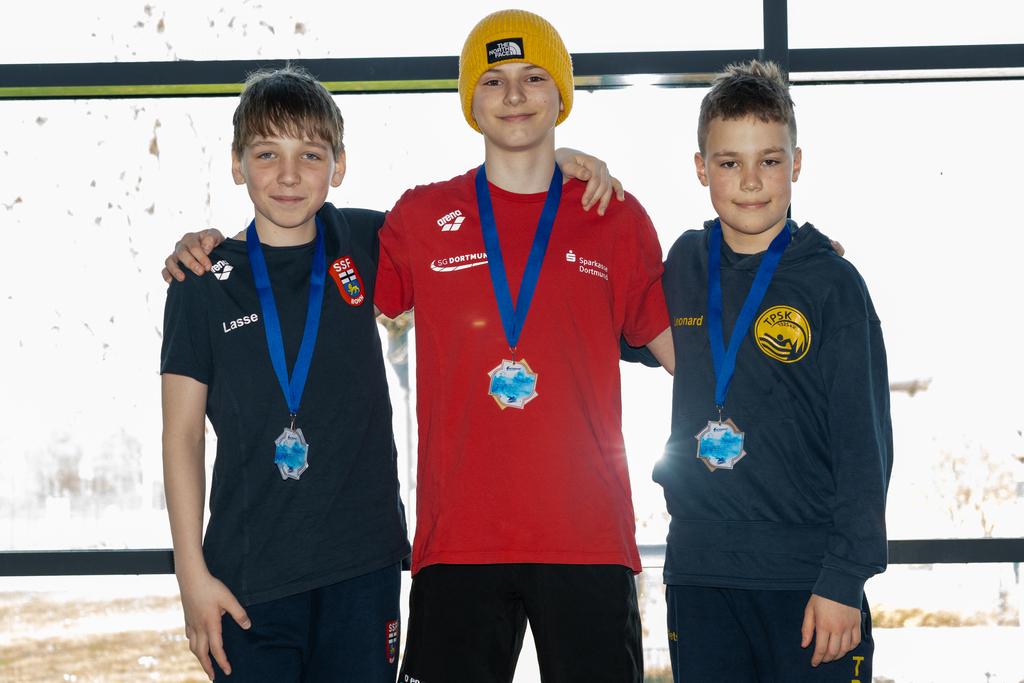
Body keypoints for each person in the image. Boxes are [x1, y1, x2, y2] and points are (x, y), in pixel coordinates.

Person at [372, 10, 673, 682]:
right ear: (470, 101)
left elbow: (688, 350)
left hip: (587, 538)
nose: (514, 94)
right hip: (459, 540)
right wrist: (225, 250)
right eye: (493, 79)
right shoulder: (422, 217)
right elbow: (314, 252)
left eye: (534, 77)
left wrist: (785, 270)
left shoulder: (613, 216)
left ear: (560, 92)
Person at [160, 66, 411, 682]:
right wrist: (191, 575)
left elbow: (483, 210)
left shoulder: (368, 238)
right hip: (247, 582)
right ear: (237, 164)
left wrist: (559, 158)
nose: (290, 175)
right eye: (267, 153)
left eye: (311, 154)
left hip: (363, 570)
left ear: (339, 166)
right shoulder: (202, 280)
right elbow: (182, 435)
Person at [650, 60, 892, 682]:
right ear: (701, 168)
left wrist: (845, 577)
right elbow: (607, 306)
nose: (751, 181)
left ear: (797, 163)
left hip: (808, 581)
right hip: (701, 577)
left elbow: (864, 446)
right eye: (730, 162)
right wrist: (566, 165)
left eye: (770, 160)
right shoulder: (685, 263)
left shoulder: (832, 285)